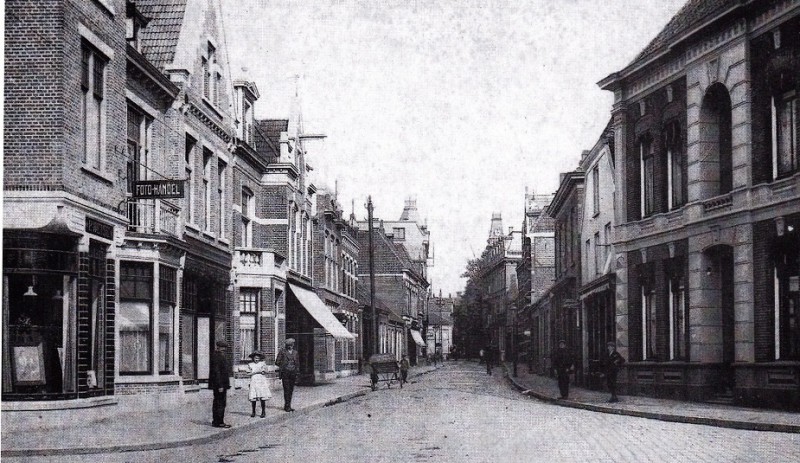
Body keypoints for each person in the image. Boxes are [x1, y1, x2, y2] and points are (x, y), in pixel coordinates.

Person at [209, 340, 233, 428]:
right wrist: (220, 385)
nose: (224, 350)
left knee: (220, 402)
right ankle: (219, 422)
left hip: (222, 384)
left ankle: (217, 421)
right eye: (223, 348)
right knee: (220, 403)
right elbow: (216, 372)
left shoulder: (220, 356)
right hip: (220, 384)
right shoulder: (216, 356)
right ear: (219, 348)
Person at [275, 338, 299, 412]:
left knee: (291, 389)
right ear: (286, 345)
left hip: (293, 373)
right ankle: (287, 406)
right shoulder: (282, 352)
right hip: (285, 373)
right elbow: (277, 362)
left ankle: (289, 405)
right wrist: (283, 365)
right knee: (286, 389)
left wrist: (296, 371)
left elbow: (297, 363)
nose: (290, 346)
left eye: (291, 345)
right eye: (289, 345)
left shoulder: (295, 353)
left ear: (293, 345)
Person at [247, 351, 271, 417]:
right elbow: (248, 373)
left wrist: (263, 371)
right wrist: (256, 372)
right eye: (255, 358)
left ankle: (263, 412)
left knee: (262, 396)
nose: (256, 359)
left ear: (260, 358)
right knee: (253, 396)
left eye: (258, 358)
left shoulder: (262, 363)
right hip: (254, 380)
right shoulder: (250, 364)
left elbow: (266, 371)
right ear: (253, 358)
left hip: (261, 380)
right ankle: (253, 412)